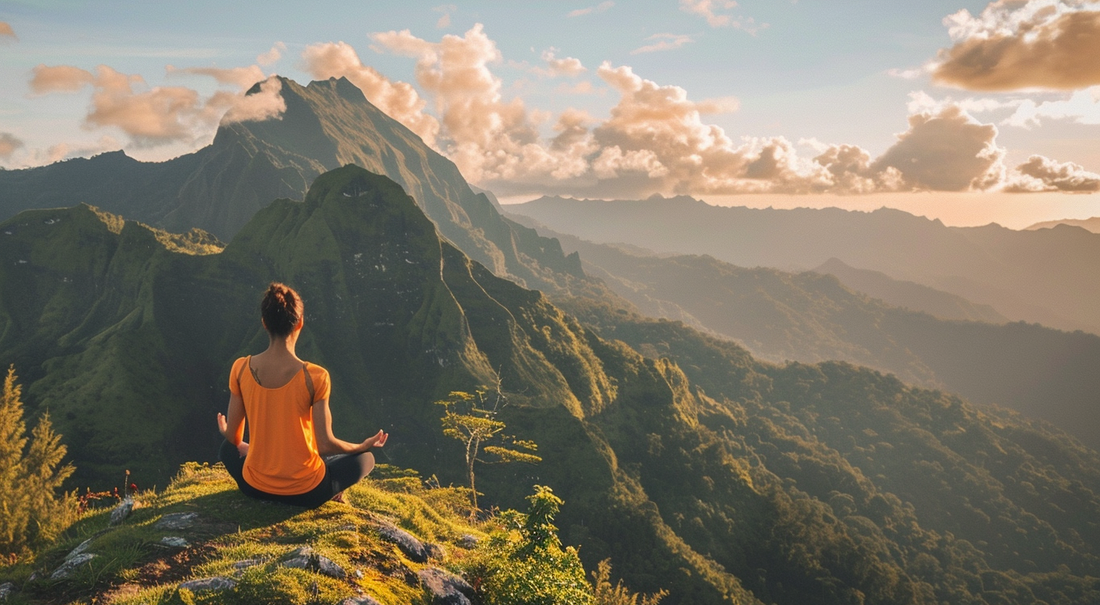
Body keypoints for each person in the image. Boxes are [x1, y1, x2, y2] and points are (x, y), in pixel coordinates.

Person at [217, 282, 388, 508]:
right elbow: (325, 444)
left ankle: (258, 453)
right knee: (366, 459)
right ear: (300, 323)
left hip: (254, 487)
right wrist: (361, 446)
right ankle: (329, 486)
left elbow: (233, 439)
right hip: (306, 493)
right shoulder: (316, 376)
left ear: (264, 323)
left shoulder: (240, 368)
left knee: (226, 449)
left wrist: (226, 430)